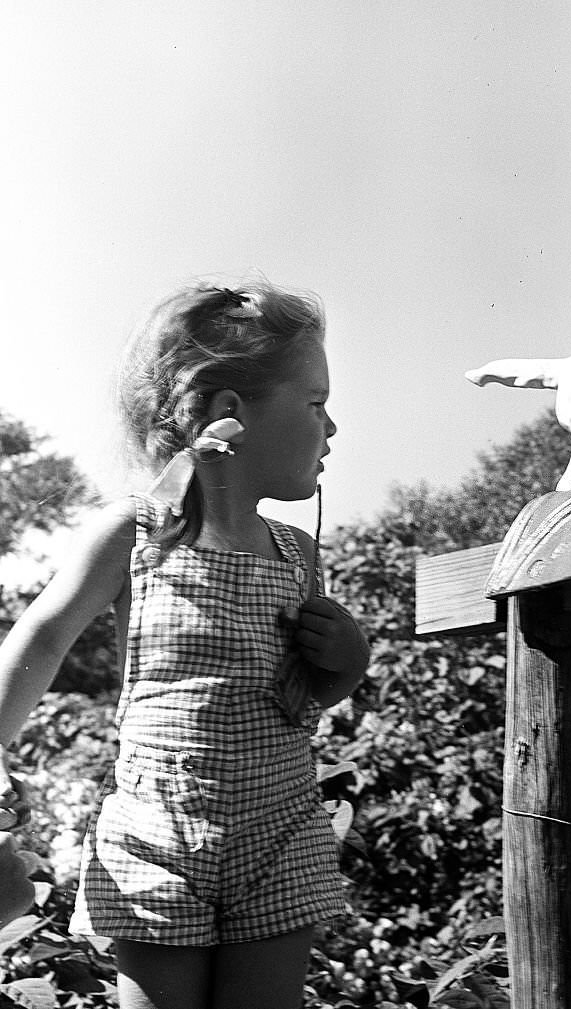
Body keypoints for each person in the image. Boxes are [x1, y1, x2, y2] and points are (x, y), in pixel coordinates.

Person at [0, 279, 370, 1009]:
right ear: (230, 413)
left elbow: (294, 699)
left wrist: (347, 662)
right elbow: (45, 631)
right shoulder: (136, 533)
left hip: (279, 832)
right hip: (158, 837)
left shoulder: (297, 554)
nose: (332, 429)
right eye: (316, 402)